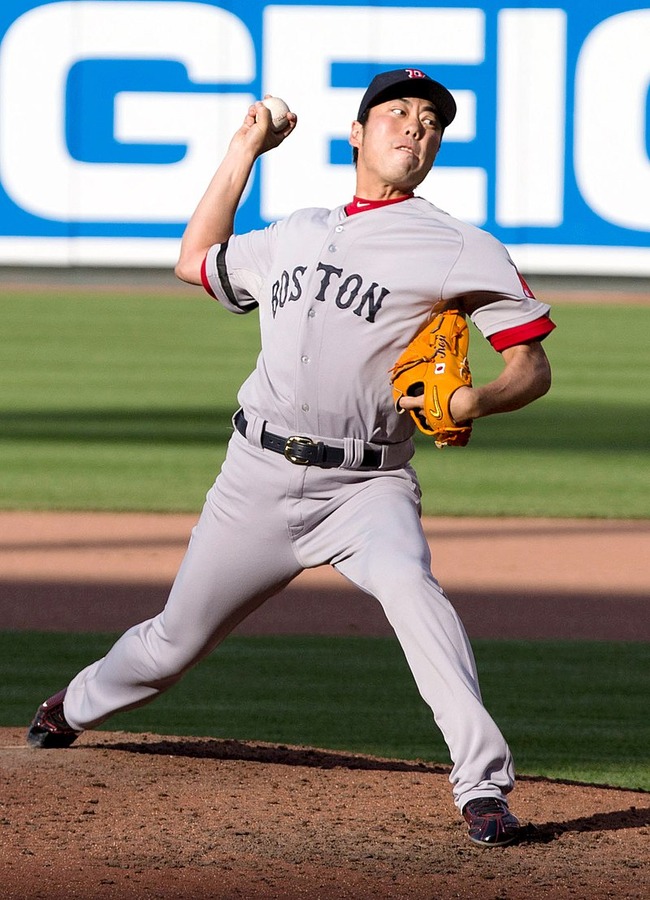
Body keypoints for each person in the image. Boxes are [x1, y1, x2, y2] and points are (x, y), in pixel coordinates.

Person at [27, 68, 554, 847]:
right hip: (256, 477)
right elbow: (196, 259)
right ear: (358, 134)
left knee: (414, 594)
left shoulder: (460, 247)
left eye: (431, 121)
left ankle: (483, 788)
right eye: (397, 112)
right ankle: (71, 707)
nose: (416, 126)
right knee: (173, 643)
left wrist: (478, 401)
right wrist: (245, 149)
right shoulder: (295, 232)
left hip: (367, 487)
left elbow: (532, 366)